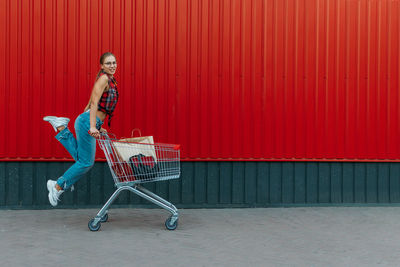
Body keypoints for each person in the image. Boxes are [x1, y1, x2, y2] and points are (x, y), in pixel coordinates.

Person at [43, 52, 119, 206]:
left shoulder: (109, 80)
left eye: (114, 62)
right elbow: (94, 104)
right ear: (102, 66)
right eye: (108, 63)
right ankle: (57, 186)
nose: (112, 66)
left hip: (89, 121)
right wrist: (92, 126)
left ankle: (61, 127)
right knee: (86, 163)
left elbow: (94, 102)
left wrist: (98, 126)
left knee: (83, 160)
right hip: (86, 123)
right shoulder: (104, 78)